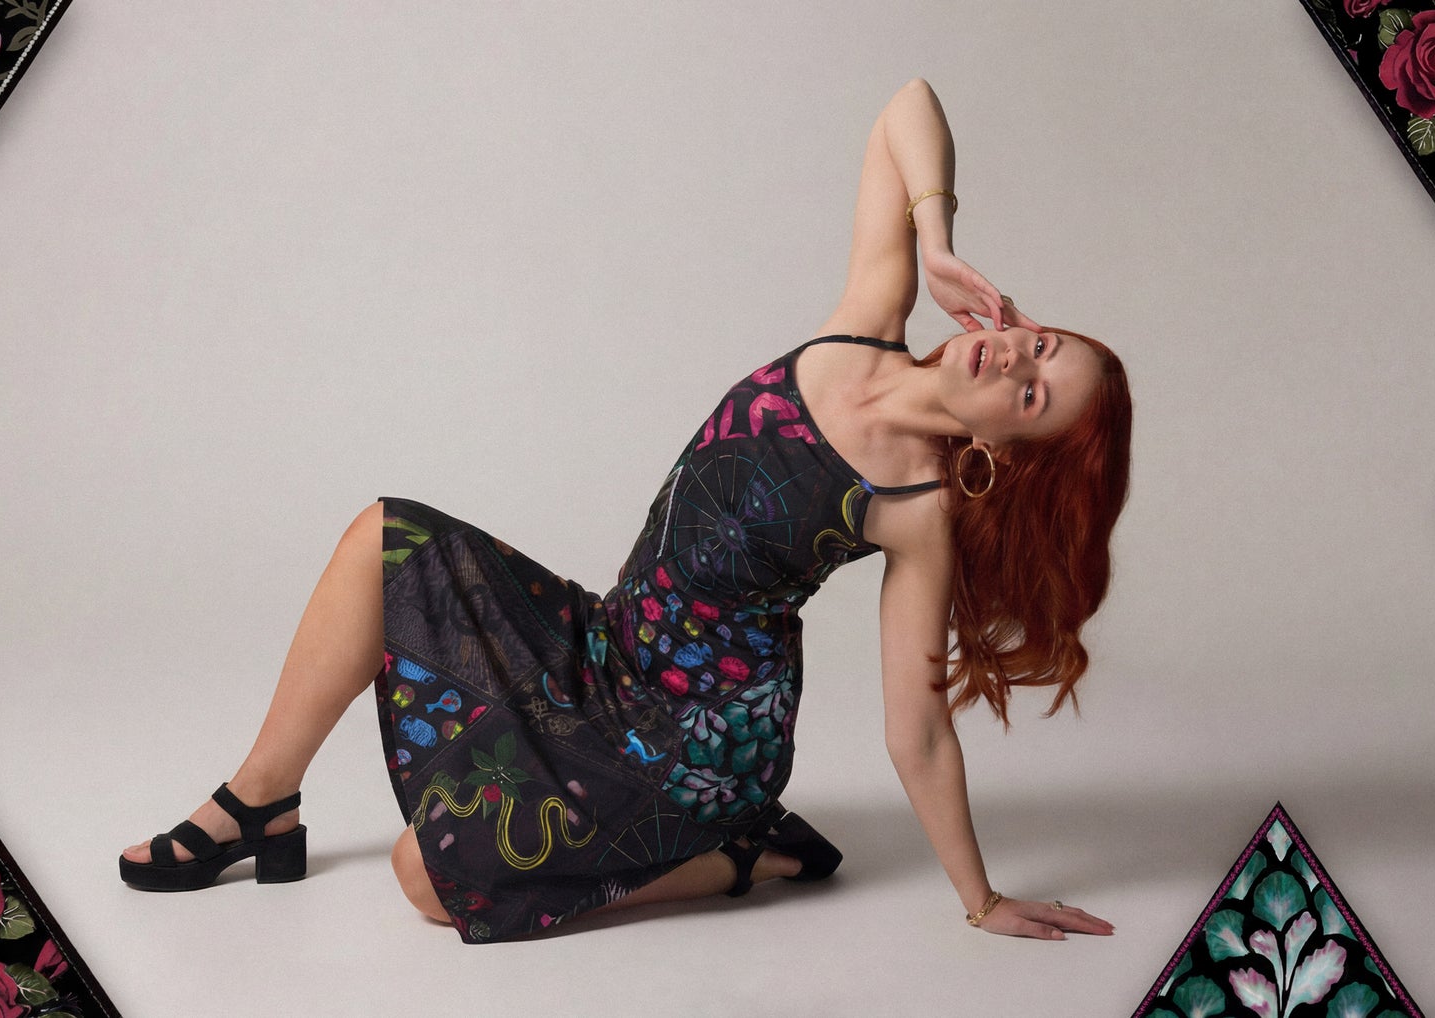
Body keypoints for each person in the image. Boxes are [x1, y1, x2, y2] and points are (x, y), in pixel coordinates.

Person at [119, 77, 1132, 946]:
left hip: (698, 742)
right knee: (383, 538)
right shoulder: (869, 321)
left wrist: (980, 899)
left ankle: (740, 854)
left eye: (1033, 397)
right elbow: (905, 106)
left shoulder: (916, 509)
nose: (1018, 361)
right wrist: (939, 235)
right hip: (608, 643)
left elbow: (918, 735)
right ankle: (261, 803)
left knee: (425, 878)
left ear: (1007, 452)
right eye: (1042, 347)